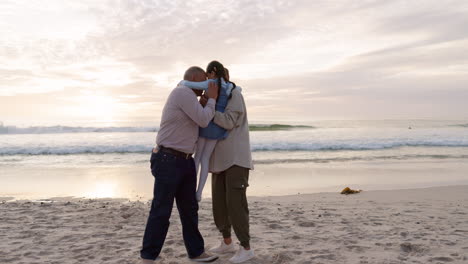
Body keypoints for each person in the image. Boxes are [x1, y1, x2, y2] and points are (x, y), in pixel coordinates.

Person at [140, 66, 219, 263]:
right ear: (193, 78)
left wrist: (204, 102)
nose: (205, 85)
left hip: (185, 160)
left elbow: (201, 119)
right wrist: (212, 98)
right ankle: (148, 257)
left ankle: (196, 252)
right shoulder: (181, 92)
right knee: (161, 210)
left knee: (189, 210)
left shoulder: (190, 98)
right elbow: (202, 120)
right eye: (203, 80)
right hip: (169, 160)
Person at [200, 70, 255, 263]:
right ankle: (227, 241)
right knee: (219, 205)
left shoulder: (235, 94)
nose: (212, 81)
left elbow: (230, 122)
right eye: (209, 78)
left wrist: (210, 108)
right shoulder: (214, 97)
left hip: (236, 159)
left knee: (236, 205)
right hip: (219, 160)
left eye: (214, 77)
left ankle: (246, 247)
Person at [179, 61, 234, 203]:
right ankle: (199, 193)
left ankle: (191, 189)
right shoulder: (228, 86)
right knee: (206, 159)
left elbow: (190, 84)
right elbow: (237, 90)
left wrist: (182, 82)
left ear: (212, 72)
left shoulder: (210, 83)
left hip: (208, 121)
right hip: (218, 127)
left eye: (208, 74)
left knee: (197, 157)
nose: (207, 77)